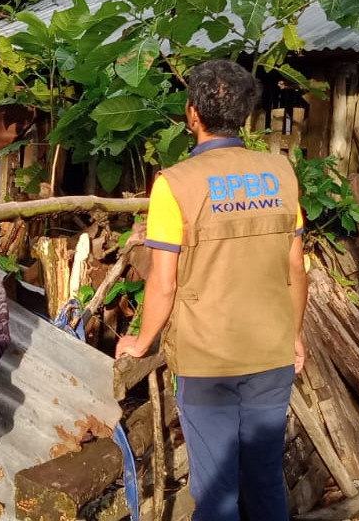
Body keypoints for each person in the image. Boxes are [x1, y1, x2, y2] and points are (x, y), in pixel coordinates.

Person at [115, 59, 308, 521]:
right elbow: (296, 267)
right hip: (271, 350)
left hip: (208, 360)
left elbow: (164, 282)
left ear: (192, 114)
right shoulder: (281, 175)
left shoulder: (174, 185)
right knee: (264, 480)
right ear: (245, 115)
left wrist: (140, 342)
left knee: (217, 489)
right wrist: (295, 335)